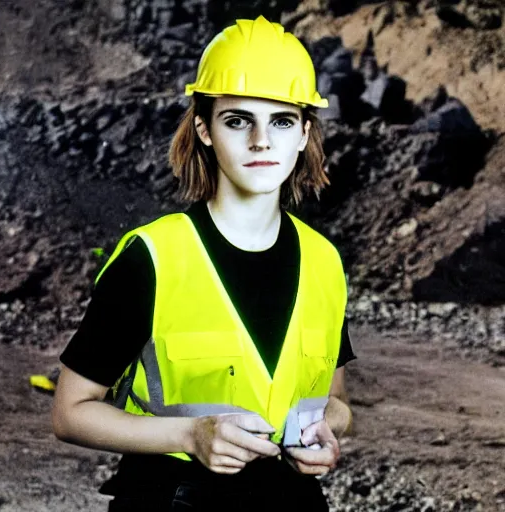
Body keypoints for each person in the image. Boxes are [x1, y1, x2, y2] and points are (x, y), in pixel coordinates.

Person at [52, 15, 355, 512]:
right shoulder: (152, 258)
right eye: (238, 120)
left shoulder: (324, 262)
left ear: (304, 133)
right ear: (205, 130)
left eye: (280, 121)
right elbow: (69, 414)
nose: (261, 141)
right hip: (170, 500)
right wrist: (192, 435)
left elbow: (335, 401)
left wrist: (329, 427)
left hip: (292, 502)